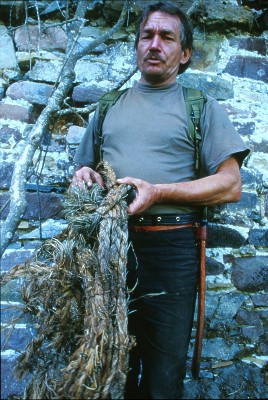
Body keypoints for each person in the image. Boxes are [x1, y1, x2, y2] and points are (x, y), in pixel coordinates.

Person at [72, 1, 250, 398]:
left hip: (173, 252)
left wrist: (159, 192)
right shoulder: (106, 107)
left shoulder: (200, 106)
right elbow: (85, 172)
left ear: (184, 53)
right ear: (136, 46)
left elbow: (230, 185)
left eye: (167, 37)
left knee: (162, 375)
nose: (154, 44)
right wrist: (83, 178)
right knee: (106, 366)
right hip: (110, 248)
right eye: (146, 36)